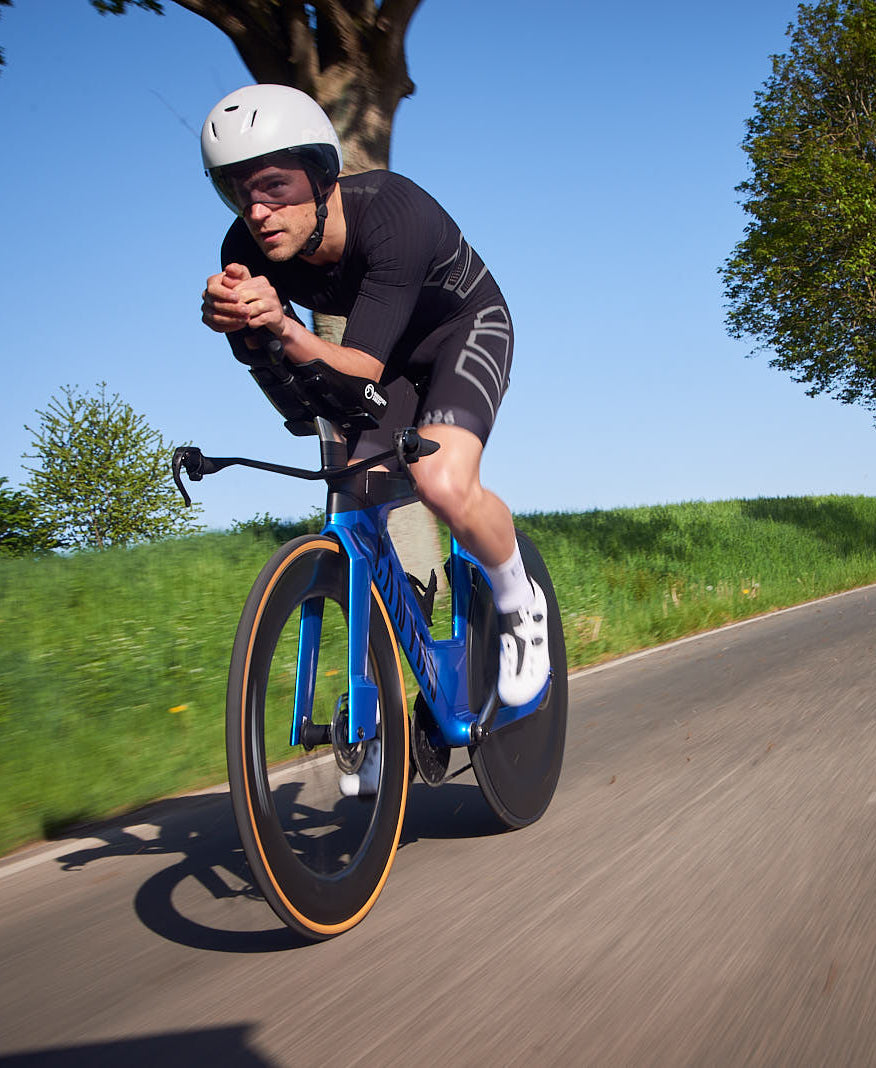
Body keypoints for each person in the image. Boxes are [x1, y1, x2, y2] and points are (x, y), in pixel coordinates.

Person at [200, 84, 549, 793]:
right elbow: (310, 386)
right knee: (354, 496)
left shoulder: (393, 213)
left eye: (275, 185)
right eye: (240, 193)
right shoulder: (245, 246)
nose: (259, 211)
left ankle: (521, 604)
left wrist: (287, 329)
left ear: (321, 176)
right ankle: (394, 686)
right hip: (381, 363)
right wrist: (243, 332)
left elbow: (354, 366)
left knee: (440, 479)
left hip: (462, 331)